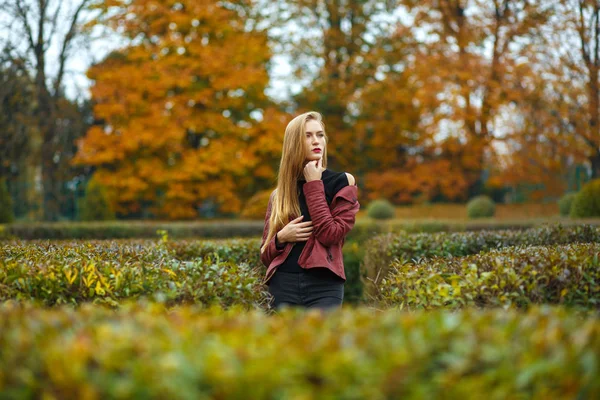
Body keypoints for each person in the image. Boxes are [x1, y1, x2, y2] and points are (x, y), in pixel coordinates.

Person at [259, 111, 360, 312]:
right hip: (283, 285)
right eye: (308, 135)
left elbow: (330, 234)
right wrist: (281, 238)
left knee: (324, 343)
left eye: (320, 135)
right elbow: (264, 254)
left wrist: (314, 183)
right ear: (293, 143)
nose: (317, 141)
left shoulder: (343, 182)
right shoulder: (279, 194)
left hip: (325, 286)